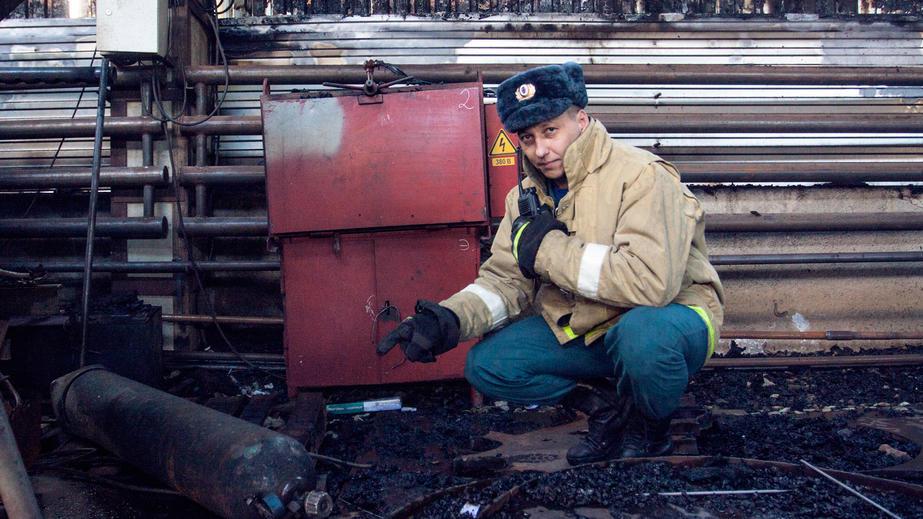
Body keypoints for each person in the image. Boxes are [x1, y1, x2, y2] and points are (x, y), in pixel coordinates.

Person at [377, 62, 724, 465]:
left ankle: (649, 430)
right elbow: (506, 282)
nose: (540, 150)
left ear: (581, 120)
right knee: (488, 365)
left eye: (550, 131)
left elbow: (650, 282)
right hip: (594, 327)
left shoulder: (642, 175)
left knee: (643, 338)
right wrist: (447, 320)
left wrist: (547, 249)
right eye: (528, 138)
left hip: (672, 319)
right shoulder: (523, 198)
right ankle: (608, 410)